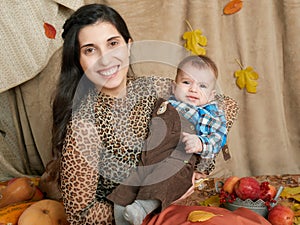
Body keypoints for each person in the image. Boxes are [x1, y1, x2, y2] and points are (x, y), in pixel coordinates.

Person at [51, 4, 174, 224]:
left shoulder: (157, 88)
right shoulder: (85, 127)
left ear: (129, 45)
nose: (105, 59)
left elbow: (216, 106)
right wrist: (143, 212)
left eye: (113, 44)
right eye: (90, 50)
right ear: (78, 61)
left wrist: (200, 165)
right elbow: (81, 216)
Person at [107, 55, 227, 225]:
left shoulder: (209, 114)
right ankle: (123, 220)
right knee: (127, 187)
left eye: (202, 85)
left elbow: (217, 139)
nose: (193, 89)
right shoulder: (164, 104)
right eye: (187, 82)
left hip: (179, 159)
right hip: (149, 157)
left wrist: (200, 143)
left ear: (211, 95)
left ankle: (142, 208)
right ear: (174, 86)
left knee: (168, 178)